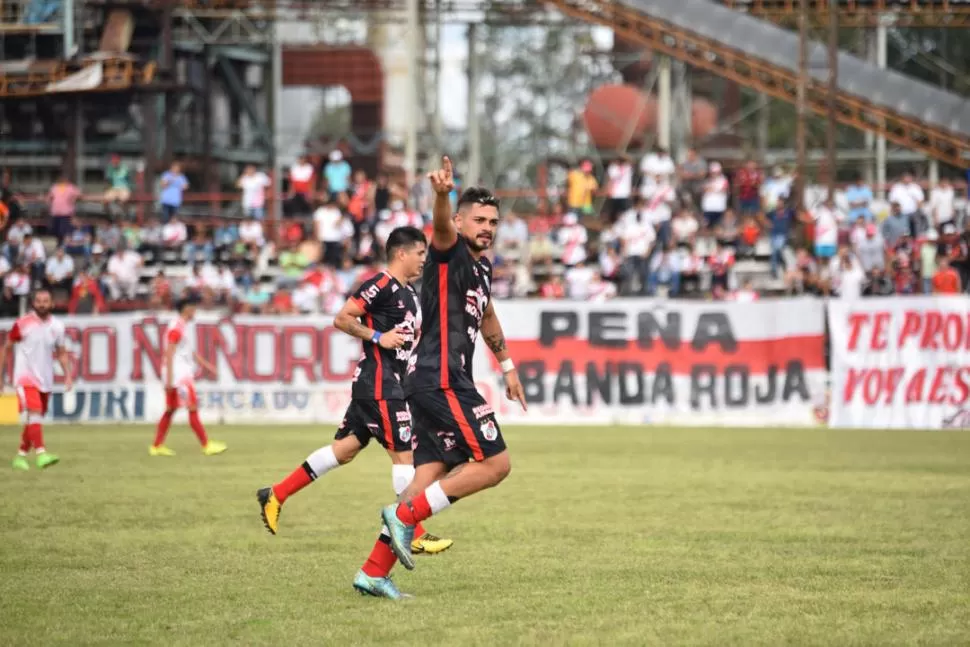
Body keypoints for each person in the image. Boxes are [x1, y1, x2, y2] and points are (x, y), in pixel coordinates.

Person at [356, 156, 527, 600]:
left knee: (428, 473)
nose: (487, 227)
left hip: (430, 380)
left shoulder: (482, 269)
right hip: (442, 379)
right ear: (458, 221)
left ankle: (373, 572)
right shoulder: (448, 254)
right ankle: (408, 517)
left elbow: (487, 315)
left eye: (493, 221)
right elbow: (442, 231)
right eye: (479, 219)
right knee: (496, 464)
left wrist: (507, 367)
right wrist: (441, 194)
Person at [256, 226, 453, 557]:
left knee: (343, 450)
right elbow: (342, 318)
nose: (424, 260)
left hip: (386, 384)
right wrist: (378, 337)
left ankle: (276, 494)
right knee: (406, 455)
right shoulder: (380, 285)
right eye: (420, 253)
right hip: (380, 384)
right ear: (401, 253)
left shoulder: (412, 294)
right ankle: (413, 530)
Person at [0, 289, 72, 470]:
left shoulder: (57, 326)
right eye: (38, 301)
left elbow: (61, 353)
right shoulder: (23, 323)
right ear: (33, 303)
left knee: (35, 419)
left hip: (45, 380)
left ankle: (20, 456)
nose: (42, 304)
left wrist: (68, 375)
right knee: (34, 412)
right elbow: (6, 348)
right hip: (25, 377)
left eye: (45, 301)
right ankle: (41, 453)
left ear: (52, 304)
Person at [150, 296, 227, 457]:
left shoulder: (181, 326)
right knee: (192, 407)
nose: (195, 311)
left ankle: (157, 446)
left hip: (175, 373)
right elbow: (169, 352)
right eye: (193, 308)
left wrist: (207, 365)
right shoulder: (177, 326)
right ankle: (206, 444)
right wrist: (170, 380)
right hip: (179, 375)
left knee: (170, 409)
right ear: (187, 308)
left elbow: (188, 352)